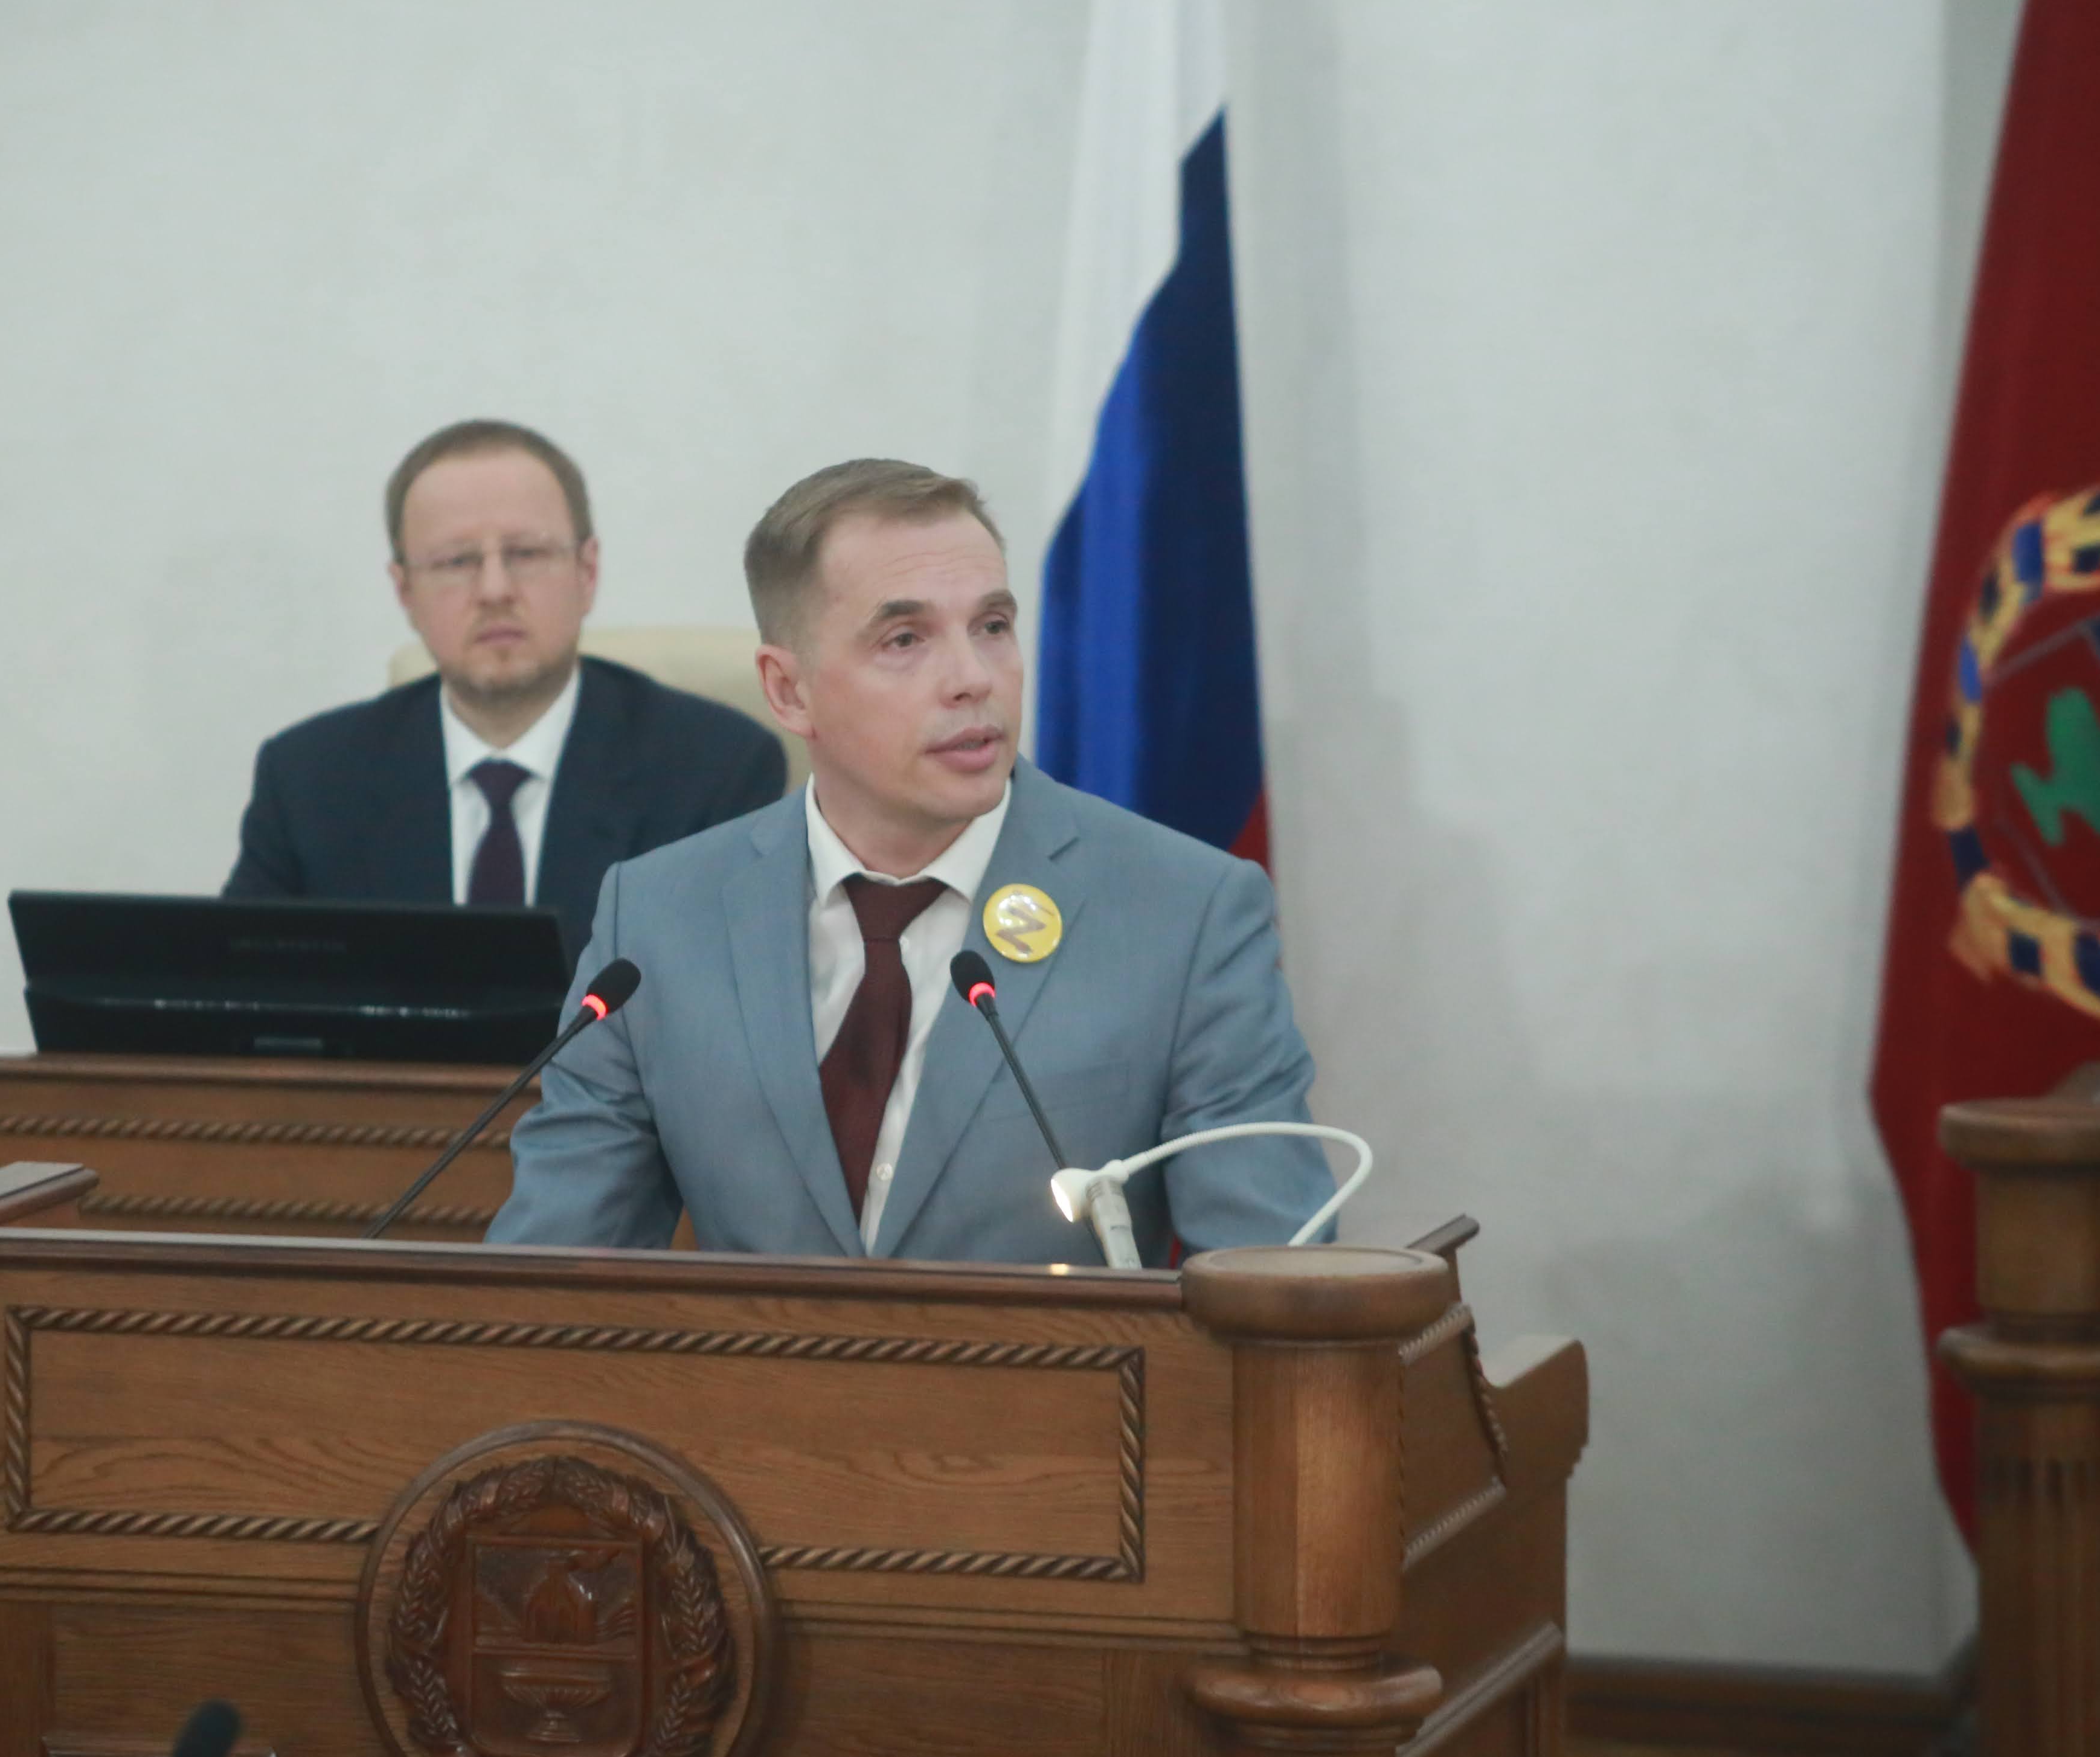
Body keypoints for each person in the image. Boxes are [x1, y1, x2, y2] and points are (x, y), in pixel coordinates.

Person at [485, 458, 1334, 1264]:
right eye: (904, 638)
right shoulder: (657, 918)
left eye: (992, 627)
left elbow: (1270, 1288)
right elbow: (547, 1277)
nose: (972, 678)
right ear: (788, 690)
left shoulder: (1185, 913)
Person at [223, 420, 788, 949]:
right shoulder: (307, 779)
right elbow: (239, 987)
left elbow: (732, 1000)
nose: (495, 589)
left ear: (587, 573)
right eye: (456, 561)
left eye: (526, 553)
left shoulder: (716, 770)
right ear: (405, 593)